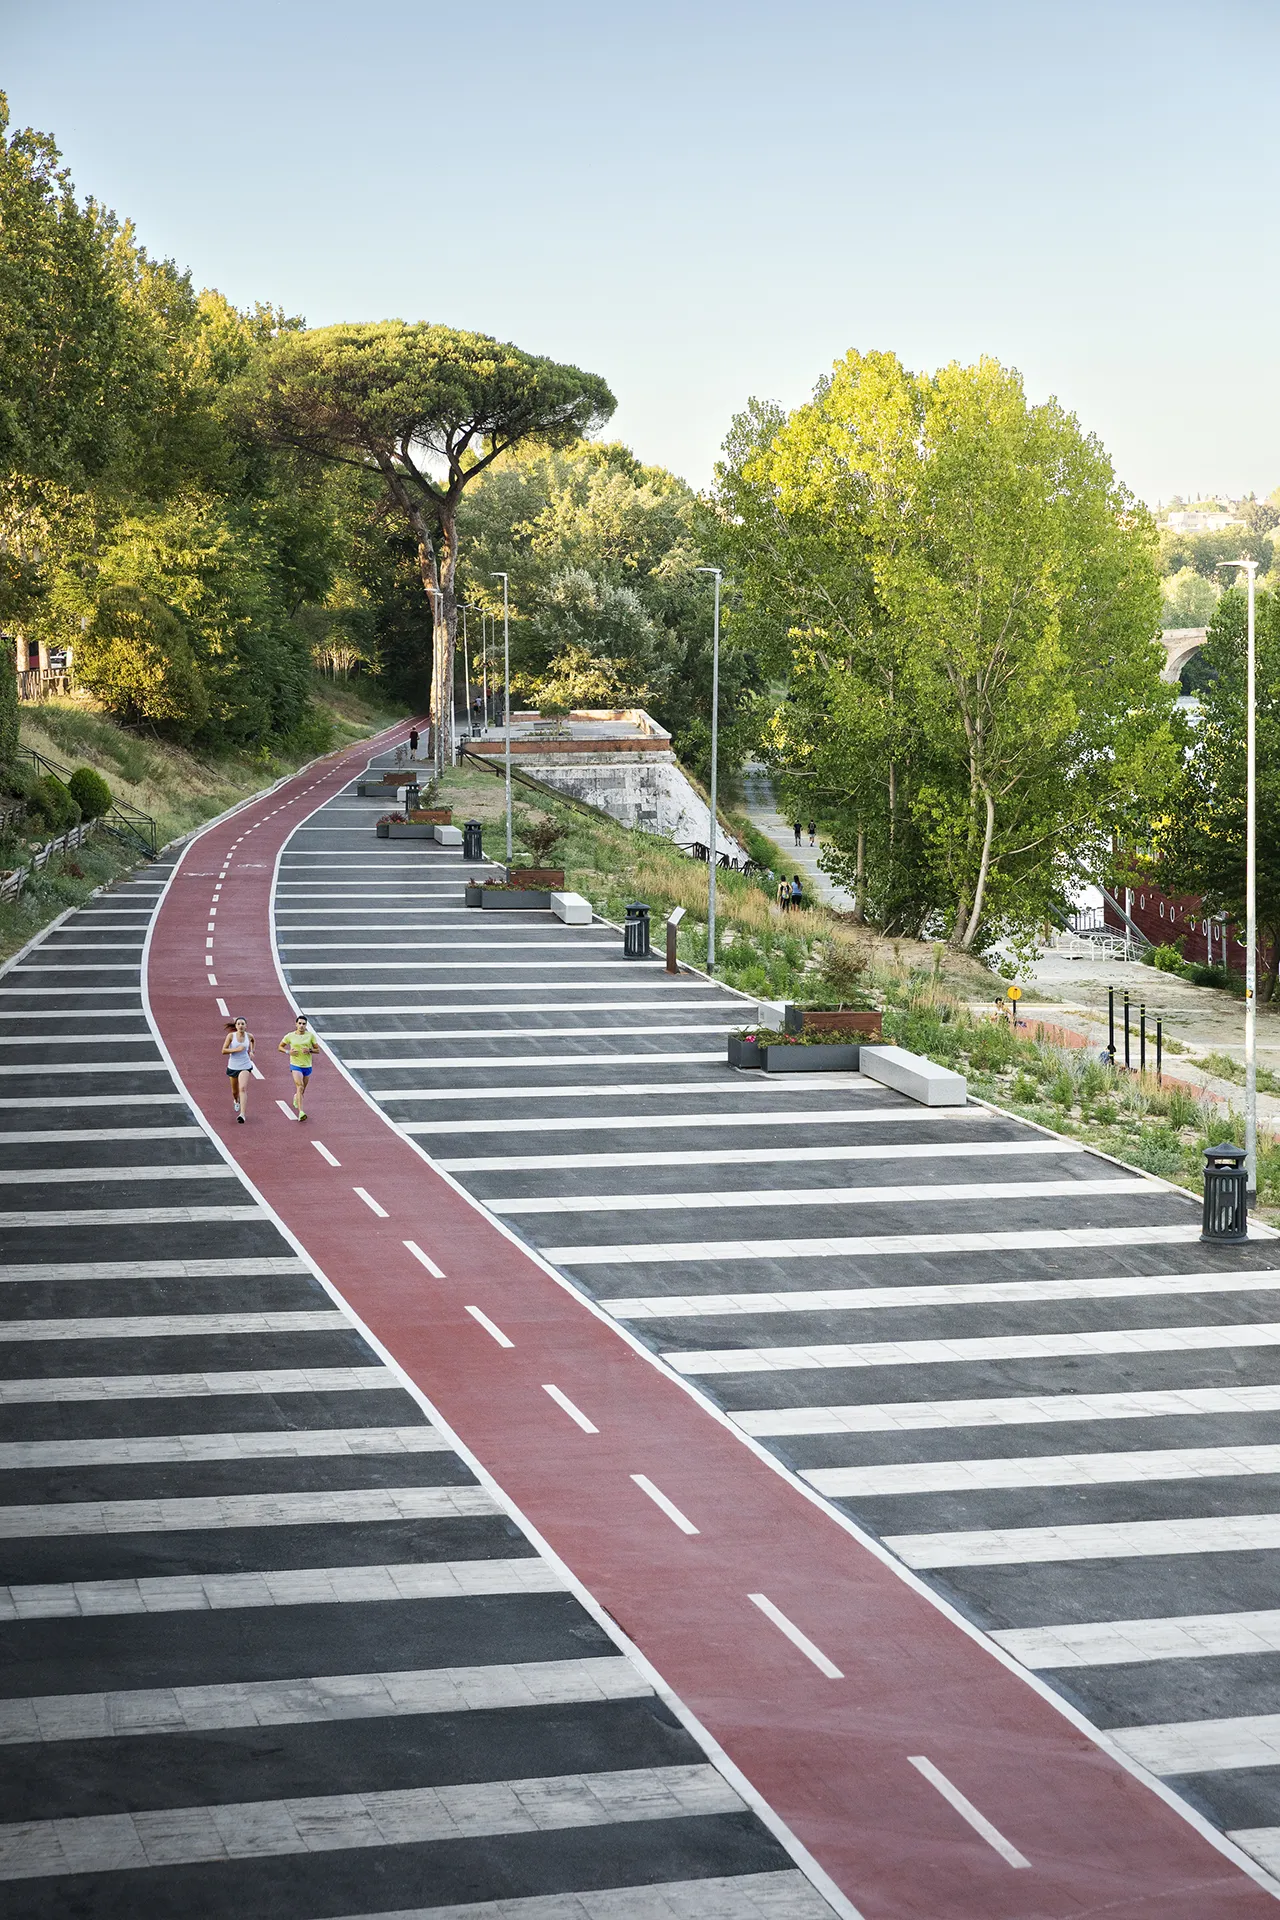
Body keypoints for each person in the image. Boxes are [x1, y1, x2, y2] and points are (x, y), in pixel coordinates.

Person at [278, 1013, 319, 1121]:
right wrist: (288, 1051)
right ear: (296, 1024)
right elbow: (280, 1047)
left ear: (306, 1025)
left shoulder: (310, 1036)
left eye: (304, 1024)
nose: (301, 1025)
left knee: (302, 1090)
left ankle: (296, 1097)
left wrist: (309, 1050)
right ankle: (301, 1112)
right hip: (295, 1065)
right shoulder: (290, 1036)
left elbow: (317, 1050)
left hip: (307, 1066)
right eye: (299, 1023)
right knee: (300, 1086)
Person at [221, 1018, 254, 1123]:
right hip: (233, 1066)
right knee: (235, 1092)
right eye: (238, 1024)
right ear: (235, 1026)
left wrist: (252, 1051)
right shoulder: (231, 1036)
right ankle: (236, 1100)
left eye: (242, 1024)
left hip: (245, 1065)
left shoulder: (249, 1036)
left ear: (246, 1026)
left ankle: (242, 1114)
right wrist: (236, 1050)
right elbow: (223, 1051)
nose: (240, 1026)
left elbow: (253, 1041)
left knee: (243, 1088)